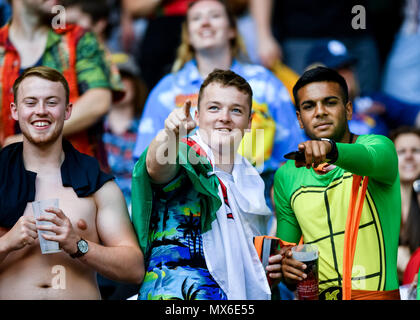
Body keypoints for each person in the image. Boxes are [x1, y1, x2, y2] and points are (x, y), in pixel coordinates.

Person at [133, 0, 305, 209]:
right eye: (196, 18)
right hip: (189, 207)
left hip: (262, 202)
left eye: (214, 16)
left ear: (232, 30)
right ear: (188, 35)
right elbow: (145, 164)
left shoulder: (266, 83)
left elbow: (292, 153)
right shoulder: (167, 90)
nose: (205, 22)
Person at [131, 69, 276, 300]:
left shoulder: (252, 178)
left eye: (236, 110)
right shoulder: (183, 152)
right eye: (214, 108)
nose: (225, 117)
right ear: (197, 116)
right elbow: (155, 168)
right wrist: (169, 134)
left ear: (249, 122)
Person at [0, 66, 144, 299]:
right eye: (31, 102)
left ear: (67, 111)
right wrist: (7, 242)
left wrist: (77, 244)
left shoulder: (94, 180)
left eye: (51, 102)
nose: (41, 111)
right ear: (15, 111)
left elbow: (134, 269)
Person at [272, 67, 401, 300]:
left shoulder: (380, 146)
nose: (320, 112)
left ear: (348, 109)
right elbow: (287, 258)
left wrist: (330, 149)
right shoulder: (286, 175)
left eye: (330, 102)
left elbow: (371, 158)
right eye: (309, 106)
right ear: (300, 119)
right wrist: (288, 267)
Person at [0, 0, 123, 171]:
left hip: (79, 180)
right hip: (11, 178)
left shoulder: (78, 38)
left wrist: (29, 135)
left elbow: (99, 101)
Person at [305, 39, 420, 137]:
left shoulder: (374, 100)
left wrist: (386, 111)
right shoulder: (306, 112)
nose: (345, 74)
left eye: (347, 67)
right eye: (335, 69)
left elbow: (414, 114)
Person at [390, 126, 420, 282]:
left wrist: (409, 264)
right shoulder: (377, 201)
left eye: (415, 151)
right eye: (401, 152)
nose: (409, 156)